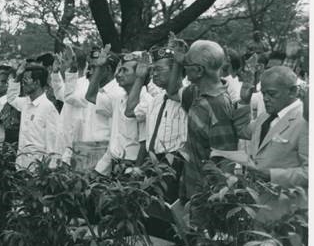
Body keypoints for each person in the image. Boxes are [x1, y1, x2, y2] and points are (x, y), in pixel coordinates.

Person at [167, 40, 247, 201]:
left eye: (187, 63)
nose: (184, 66)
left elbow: (225, 159)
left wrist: (216, 199)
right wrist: (177, 62)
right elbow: (172, 92)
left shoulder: (218, 106)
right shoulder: (196, 91)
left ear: (198, 70)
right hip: (192, 187)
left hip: (206, 195)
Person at [128, 45, 187, 201]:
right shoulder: (156, 99)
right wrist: (140, 78)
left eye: (159, 69)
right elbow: (130, 110)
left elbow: (175, 89)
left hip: (175, 164)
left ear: (175, 69)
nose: (153, 73)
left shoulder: (186, 96)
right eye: (152, 69)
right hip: (152, 163)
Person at [238, 66, 307, 189]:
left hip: (285, 204)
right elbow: (242, 132)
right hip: (258, 199)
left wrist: (272, 175)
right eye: (263, 93)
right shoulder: (265, 117)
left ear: (292, 91)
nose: (265, 98)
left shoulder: (304, 121)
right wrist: (244, 102)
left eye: (272, 94)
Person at [91, 50, 151, 176]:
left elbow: (144, 142)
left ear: (139, 73)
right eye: (119, 70)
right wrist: (99, 67)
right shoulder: (119, 99)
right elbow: (91, 96)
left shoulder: (146, 101)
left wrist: (136, 169)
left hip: (133, 167)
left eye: (125, 71)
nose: (118, 74)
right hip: (114, 164)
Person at [7, 62, 60, 170]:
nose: (23, 84)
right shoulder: (26, 103)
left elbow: (53, 142)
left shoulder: (48, 108)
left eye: (26, 80)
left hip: (39, 169)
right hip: (21, 165)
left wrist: (50, 169)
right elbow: (11, 98)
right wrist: (17, 77)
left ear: (37, 83)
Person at [49, 46, 90, 166]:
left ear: (74, 62)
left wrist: (72, 70)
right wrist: (56, 73)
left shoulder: (87, 85)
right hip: (64, 140)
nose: (64, 63)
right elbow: (59, 93)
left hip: (77, 143)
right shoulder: (71, 82)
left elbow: (70, 97)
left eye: (66, 59)